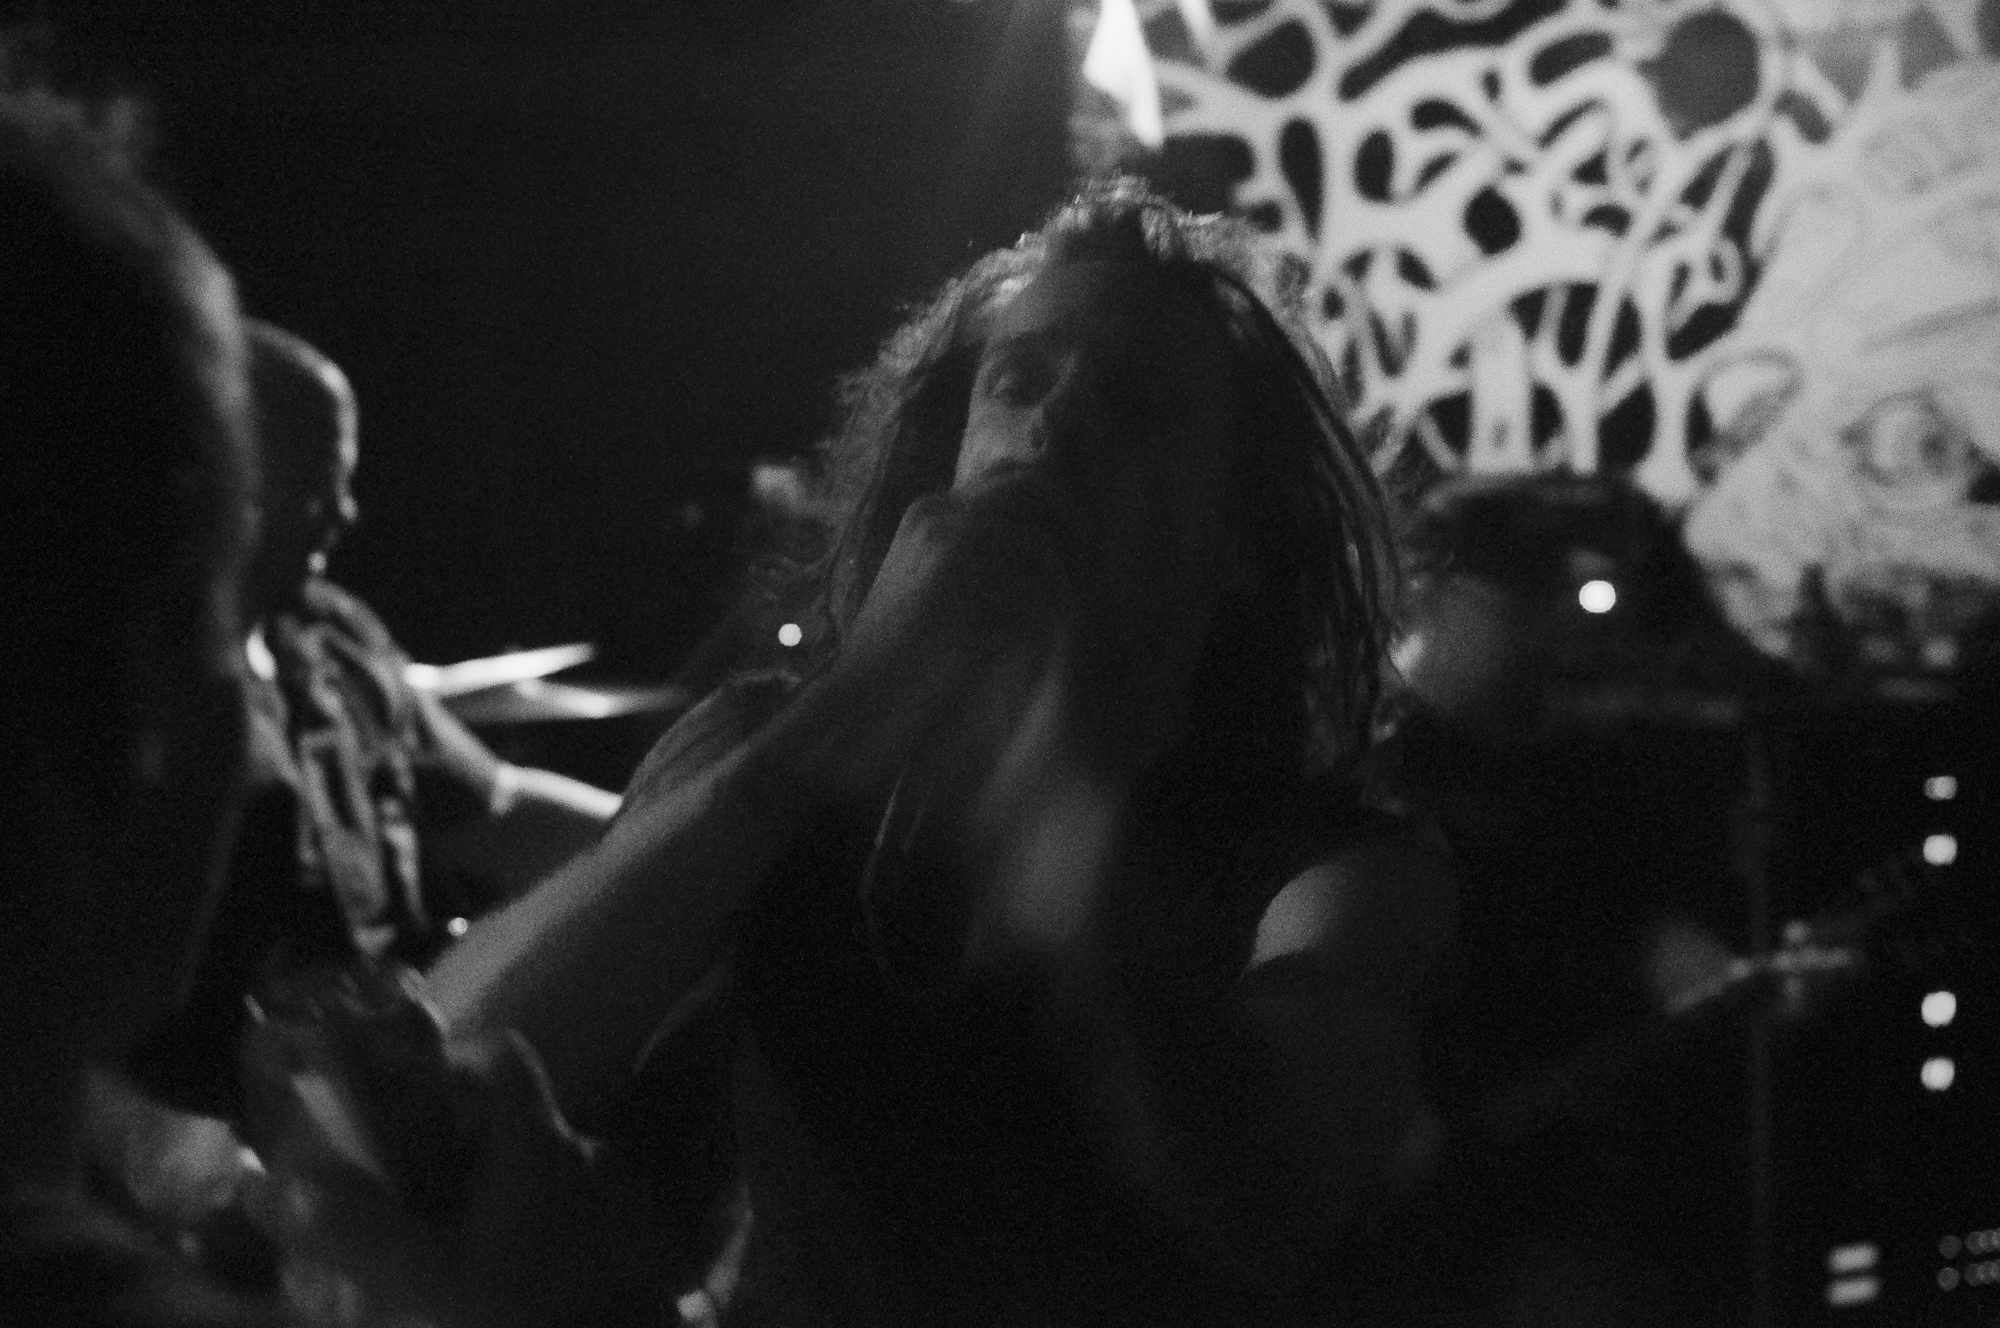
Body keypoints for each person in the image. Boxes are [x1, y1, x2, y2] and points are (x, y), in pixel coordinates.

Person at [269, 178, 1451, 1327]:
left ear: (1244, 534)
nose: (1056, 422)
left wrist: (1056, 754)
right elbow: (448, 1079)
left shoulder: (1337, 866)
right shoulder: (774, 746)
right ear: (950, 456)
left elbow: (1265, 1208)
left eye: (1138, 404)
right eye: (1017, 381)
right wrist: (829, 725)